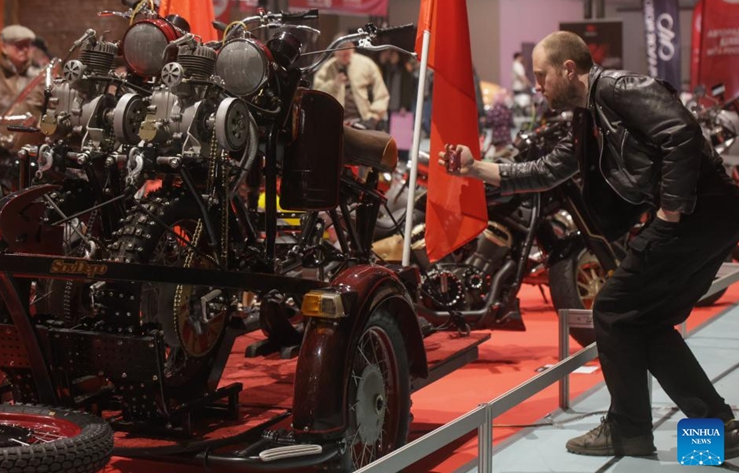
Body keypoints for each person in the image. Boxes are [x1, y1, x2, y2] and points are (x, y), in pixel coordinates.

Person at [440, 31, 739, 459]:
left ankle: (630, 428)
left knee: (613, 308)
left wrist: (670, 211)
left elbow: (679, 134)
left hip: (694, 216)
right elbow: (548, 170)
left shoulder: (620, 88)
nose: (537, 86)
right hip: (707, 219)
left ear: (568, 69)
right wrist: (474, 168)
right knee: (641, 320)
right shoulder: (588, 117)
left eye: (541, 76)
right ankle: (713, 425)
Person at [313, 36, 389, 130]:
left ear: (352, 49)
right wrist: (333, 84)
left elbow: (381, 93)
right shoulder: (326, 69)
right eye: (340, 55)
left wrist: (374, 117)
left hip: (363, 121)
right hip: (335, 123)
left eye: (347, 54)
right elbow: (316, 95)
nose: (344, 58)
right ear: (334, 52)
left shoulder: (366, 64)